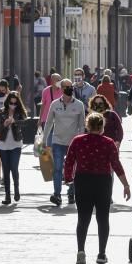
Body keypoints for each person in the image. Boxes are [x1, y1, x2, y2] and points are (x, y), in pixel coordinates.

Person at [64, 112, 131, 264]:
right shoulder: (108, 143)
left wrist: (68, 178)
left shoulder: (78, 140)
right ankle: (101, 253)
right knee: (102, 218)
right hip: (103, 181)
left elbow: (70, 160)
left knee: (83, 218)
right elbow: (116, 164)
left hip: (83, 180)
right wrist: (126, 185)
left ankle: (81, 251)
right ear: (102, 127)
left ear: (87, 125)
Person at [42, 78, 86, 206]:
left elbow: (82, 125)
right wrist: (45, 139)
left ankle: (71, 192)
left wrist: (81, 140)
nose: (68, 88)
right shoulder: (55, 104)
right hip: (58, 141)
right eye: (65, 86)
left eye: (70, 86)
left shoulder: (79, 105)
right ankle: (57, 194)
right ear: (61, 89)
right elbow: (49, 122)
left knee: (72, 168)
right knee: (57, 168)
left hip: (73, 142)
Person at [0, 91, 27, 205]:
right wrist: (4, 124)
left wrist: (14, 121)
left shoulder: (19, 112)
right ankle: (7, 195)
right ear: (7, 102)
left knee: (14, 168)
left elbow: (25, 122)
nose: (13, 105)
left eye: (15, 103)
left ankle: (17, 190)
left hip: (16, 144)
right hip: (3, 144)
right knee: (6, 169)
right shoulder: (2, 112)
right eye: (11, 103)